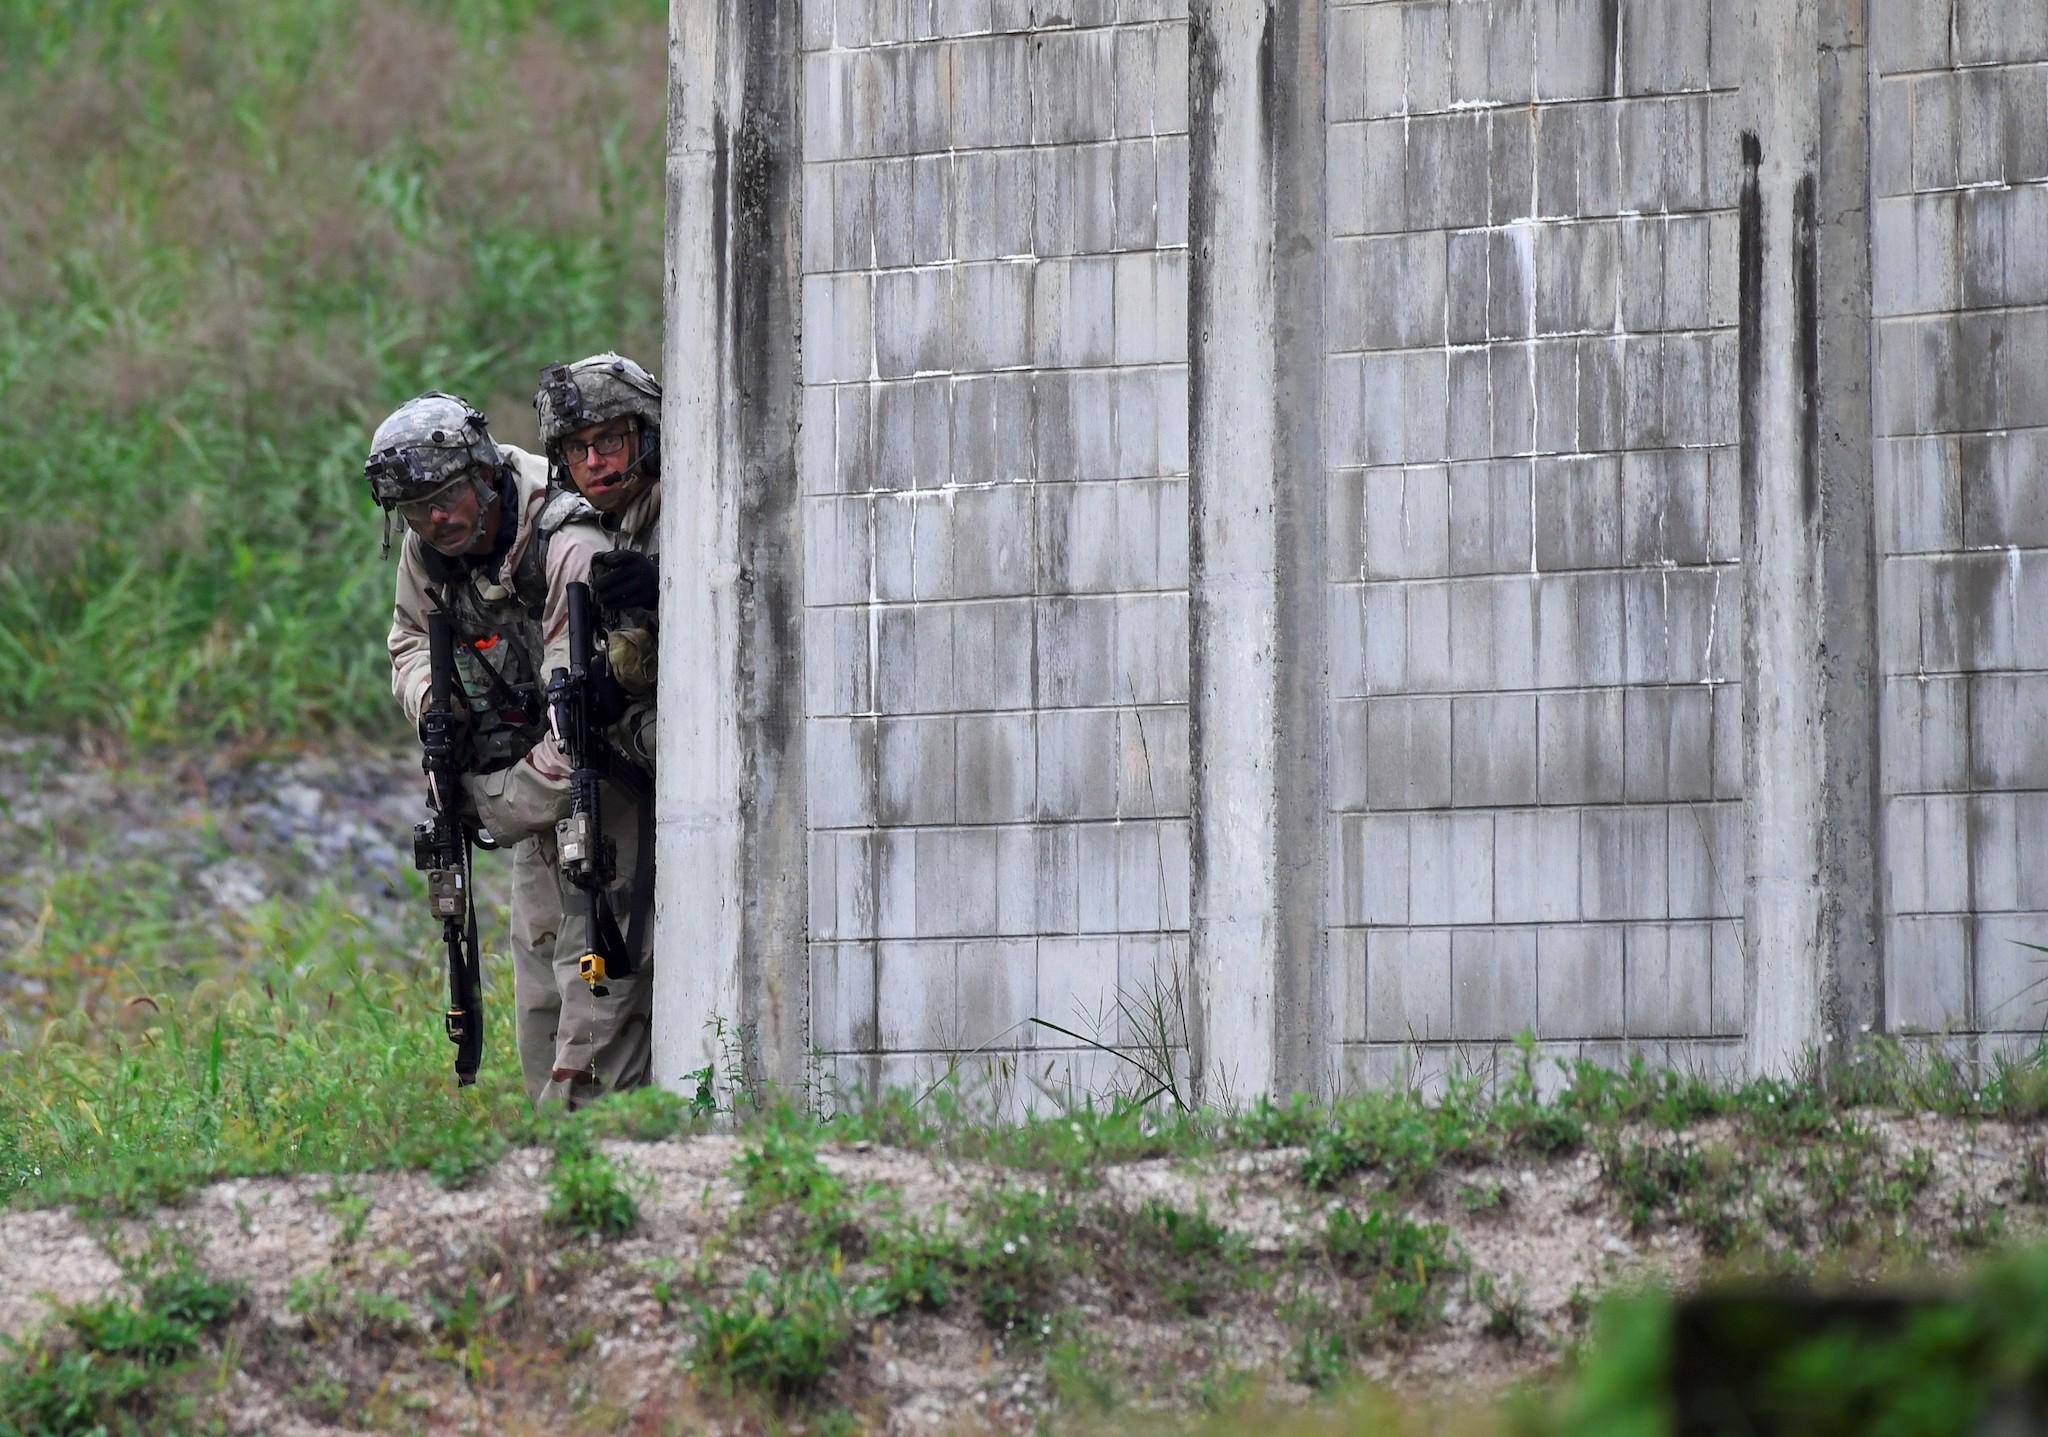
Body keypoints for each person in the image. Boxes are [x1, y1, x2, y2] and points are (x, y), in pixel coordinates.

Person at [365, 391, 633, 1106]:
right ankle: (553, 1155)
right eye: (418, 510)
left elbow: (574, 717)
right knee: (539, 972)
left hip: (605, 781)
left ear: (483, 474)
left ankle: (601, 1148)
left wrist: (488, 801)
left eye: (447, 497)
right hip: (522, 776)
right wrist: (435, 705)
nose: (436, 518)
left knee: (597, 975)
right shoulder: (432, 549)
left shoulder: (566, 537)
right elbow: (409, 638)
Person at [525, 353, 665, 1104]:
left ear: (645, 432)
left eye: (609, 438)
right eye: (577, 448)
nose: (594, 460)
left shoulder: (691, 509)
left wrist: (665, 592)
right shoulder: (580, 533)